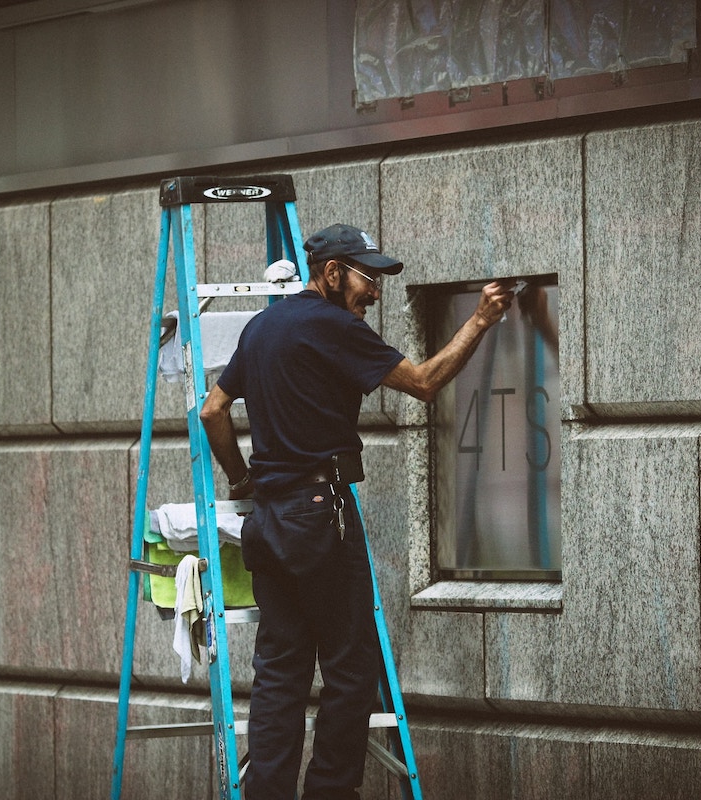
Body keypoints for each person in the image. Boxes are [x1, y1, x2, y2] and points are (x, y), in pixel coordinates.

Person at [199, 223, 515, 800]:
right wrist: (481, 321)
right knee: (349, 672)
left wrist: (242, 478)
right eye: (368, 277)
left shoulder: (262, 327)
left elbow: (213, 411)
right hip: (321, 516)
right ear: (332, 271)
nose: (375, 292)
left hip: (268, 522)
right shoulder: (332, 326)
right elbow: (422, 383)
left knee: (279, 675)